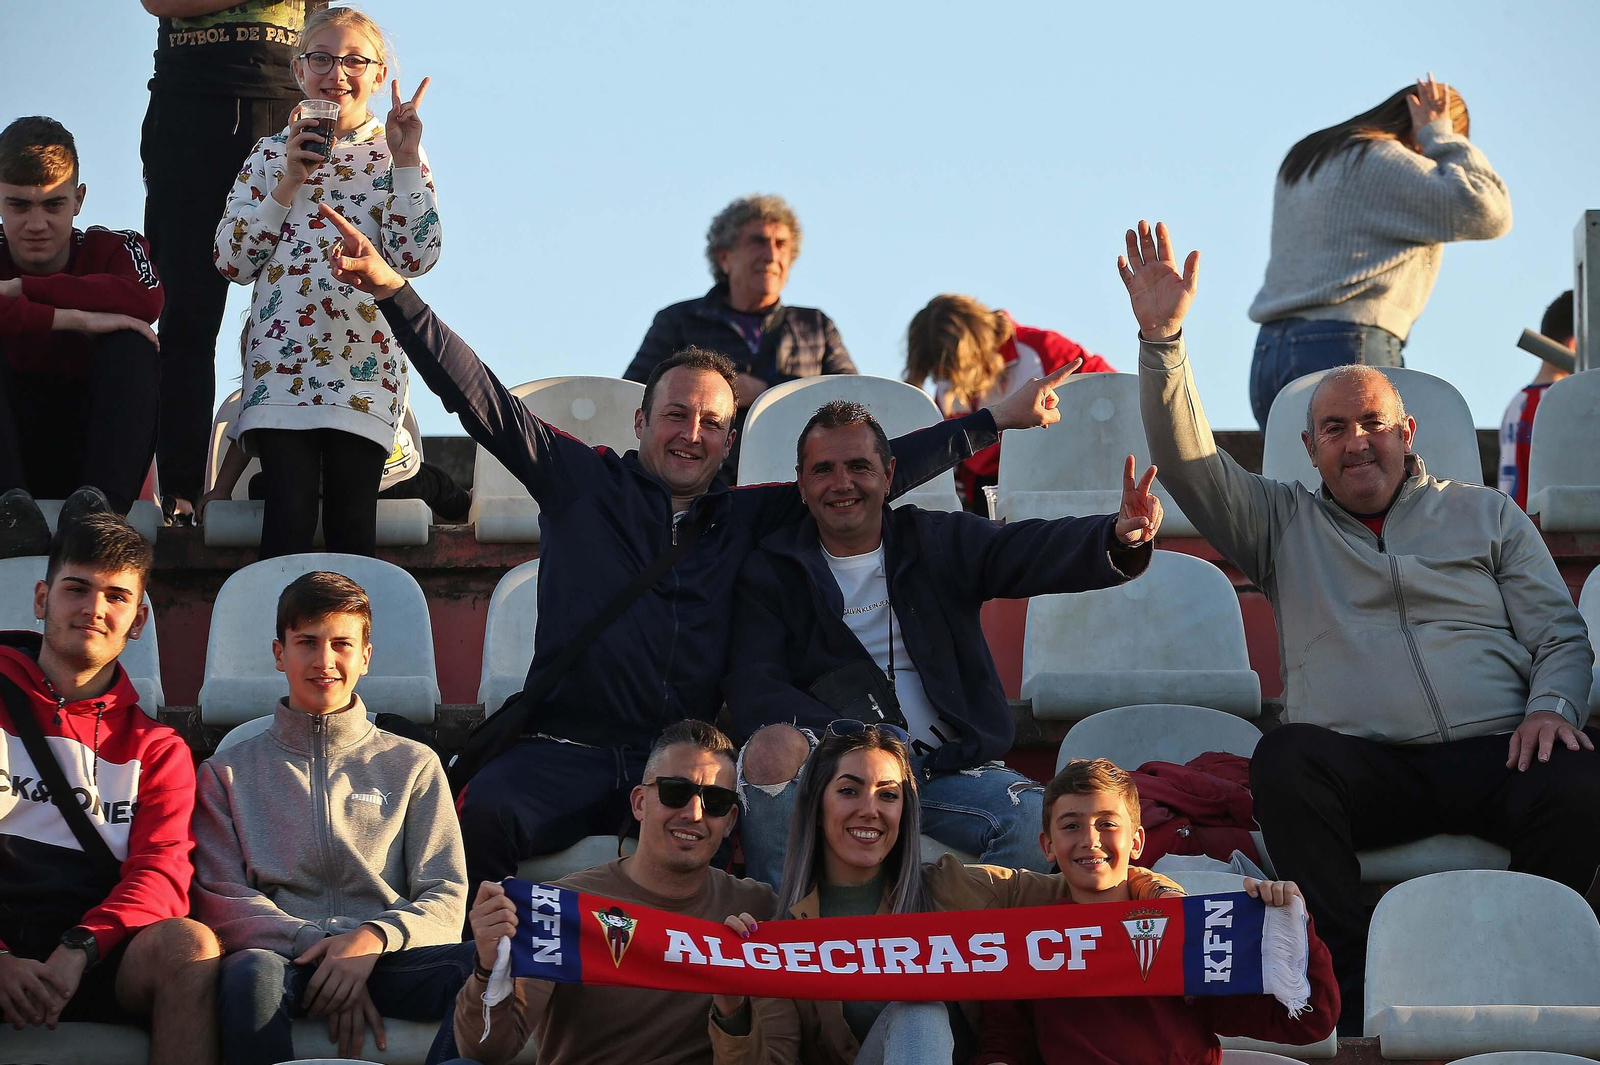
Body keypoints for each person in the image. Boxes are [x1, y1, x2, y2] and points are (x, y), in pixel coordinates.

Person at [316, 203, 1078, 894]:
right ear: (641, 421)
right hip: (567, 748)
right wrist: (394, 292)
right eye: (676, 415)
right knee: (484, 815)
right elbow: (480, 397)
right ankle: (483, 980)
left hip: (684, 759)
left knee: (729, 827)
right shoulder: (582, 483)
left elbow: (867, 474)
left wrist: (992, 421)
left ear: (730, 439)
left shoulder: (748, 517)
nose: (692, 434)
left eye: (712, 422)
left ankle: (743, 984)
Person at [1123, 218, 1598, 1030]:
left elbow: (1560, 634)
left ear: (1406, 433)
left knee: (1579, 773)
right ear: (1309, 449)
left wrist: (1551, 707)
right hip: (1365, 770)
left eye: (1373, 422)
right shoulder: (1280, 524)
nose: (1356, 442)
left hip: (1495, 751)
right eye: (1335, 429)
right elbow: (1192, 461)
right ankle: (1344, 983)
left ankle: (1523, 949)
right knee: (1284, 761)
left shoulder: (1487, 514)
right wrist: (1163, 341)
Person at [726, 400, 1162, 886]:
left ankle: (968, 935)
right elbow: (755, 689)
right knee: (769, 749)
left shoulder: (934, 538)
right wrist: (858, 744)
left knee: (1031, 821)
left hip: (946, 770)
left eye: (859, 467)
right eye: (823, 469)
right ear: (802, 484)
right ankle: (783, 925)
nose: (842, 483)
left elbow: (1025, 549)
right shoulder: (770, 570)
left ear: (889, 475)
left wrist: (1115, 536)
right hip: (835, 773)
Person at [191, 570, 474, 1064]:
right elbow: (220, 897)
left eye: (342, 644)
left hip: (389, 956)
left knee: (493, 964)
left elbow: (446, 895)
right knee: (248, 977)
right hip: (286, 957)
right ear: (279, 653)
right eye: (306, 642)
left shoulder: (414, 763)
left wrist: (369, 941)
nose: (324, 661)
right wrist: (322, 946)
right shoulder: (225, 772)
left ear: (365, 656)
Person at [709, 723, 1090, 1065]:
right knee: (917, 1012)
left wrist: (1129, 869)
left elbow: (1088, 891)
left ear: (905, 811)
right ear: (817, 806)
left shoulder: (954, 887)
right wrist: (733, 1010)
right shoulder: (781, 936)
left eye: (888, 795)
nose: (870, 809)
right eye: (849, 791)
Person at [214, 6, 440, 558]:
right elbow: (231, 261)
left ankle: (353, 620)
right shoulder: (268, 155)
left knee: (351, 529)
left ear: (379, 76)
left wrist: (405, 159)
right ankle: (276, 619)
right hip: (281, 371)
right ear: (298, 70)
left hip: (365, 369)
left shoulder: (396, 153)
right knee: (286, 522)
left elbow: (417, 255)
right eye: (321, 58)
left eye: (355, 61)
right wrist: (288, 182)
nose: (337, 73)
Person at [441, 720, 795, 1065]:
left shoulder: (757, 909)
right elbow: (486, 1050)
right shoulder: (562, 907)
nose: (693, 813)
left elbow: (778, 1057)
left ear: (730, 821)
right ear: (639, 803)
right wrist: (489, 969)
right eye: (675, 792)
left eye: (715, 801)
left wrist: (733, 1011)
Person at [0, 513, 221, 1063]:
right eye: (76, 589)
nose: (94, 609)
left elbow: (161, 876)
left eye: (116, 596)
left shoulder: (159, 749)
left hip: (94, 955)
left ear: (138, 619)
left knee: (188, 946)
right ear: (42, 599)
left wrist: (79, 950)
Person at [973, 758, 1339, 1065]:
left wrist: (1293, 928)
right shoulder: (1027, 941)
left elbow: (1308, 1023)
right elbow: (1004, 1043)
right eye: (1071, 826)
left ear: (1136, 841)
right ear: (1048, 845)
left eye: (1107, 824)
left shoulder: (1192, 933)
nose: (1090, 840)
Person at [141, 0, 327, 525]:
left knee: (305, 304)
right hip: (190, 104)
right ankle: (179, 494)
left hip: (292, 99)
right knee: (186, 313)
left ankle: (313, 478)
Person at [1247, 75, 1512, 428]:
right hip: (1347, 343)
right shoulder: (1382, 159)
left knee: (1295, 463)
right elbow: (1488, 212)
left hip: (1270, 351)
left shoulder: (1309, 155)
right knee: (1377, 460)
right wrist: (1440, 136)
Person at [0, 116, 163, 557]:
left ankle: (100, 512)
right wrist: (77, 319)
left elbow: (147, 300)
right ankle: (7, 512)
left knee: (132, 344)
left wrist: (24, 289)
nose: (36, 224)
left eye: (53, 205)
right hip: (11, 444)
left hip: (90, 445)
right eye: (19, 206)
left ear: (79, 199)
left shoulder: (114, 247)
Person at [624, 194, 856, 482]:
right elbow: (631, 395)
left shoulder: (816, 326)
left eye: (781, 244)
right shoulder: (678, 321)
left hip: (793, 487)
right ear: (724, 258)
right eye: (758, 241)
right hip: (701, 489)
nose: (771, 255)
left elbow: (855, 403)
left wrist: (767, 392)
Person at [904, 294, 1115, 509]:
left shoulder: (1042, 351)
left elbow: (1115, 395)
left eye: (950, 369)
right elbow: (951, 471)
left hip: (1063, 491)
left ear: (973, 347)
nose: (945, 379)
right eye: (938, 375)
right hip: (989, 504)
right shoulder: (945, 387)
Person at [201, 395, 471, 524]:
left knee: (261, 485)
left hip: (323, 488)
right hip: (389, 478)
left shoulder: (271, 393)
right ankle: (464, 509)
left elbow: (243, 437)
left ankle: (462, 508)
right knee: (435, 483)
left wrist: (221, 490)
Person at [1499, 290, 1574, 510]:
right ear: (1573, 344)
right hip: (1545, 526)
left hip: (1511, 521)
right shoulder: (1564, 402)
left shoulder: (1517, 402)